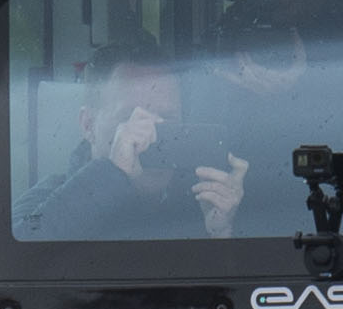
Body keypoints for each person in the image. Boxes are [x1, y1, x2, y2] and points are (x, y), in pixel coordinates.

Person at [27, 46, 247, 242]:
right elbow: (18, 259)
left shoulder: (201, 202)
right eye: (131, 118)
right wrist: (112, 174)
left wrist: (219, 234)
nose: (149, 136)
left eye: (167, 118)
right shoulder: (43, 206)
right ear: (88, 125)